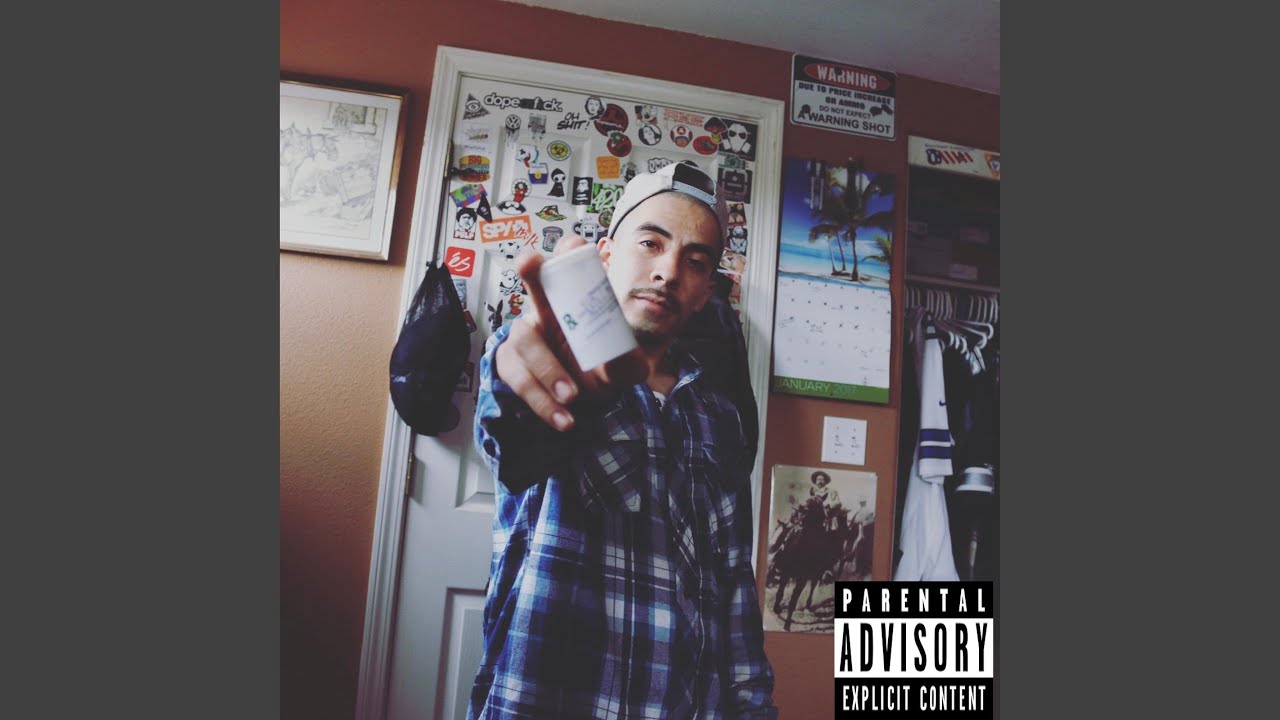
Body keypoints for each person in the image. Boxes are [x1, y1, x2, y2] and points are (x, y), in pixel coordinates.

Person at [468, 162, 778, 719]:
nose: (668, 271)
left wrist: (755, 707)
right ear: (606, 254)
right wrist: (541, 384)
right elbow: (514, 440)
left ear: (706, 292)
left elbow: (734, 584)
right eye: (651, 243)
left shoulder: (721, 416)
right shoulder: (544, 360)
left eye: (695, 261)